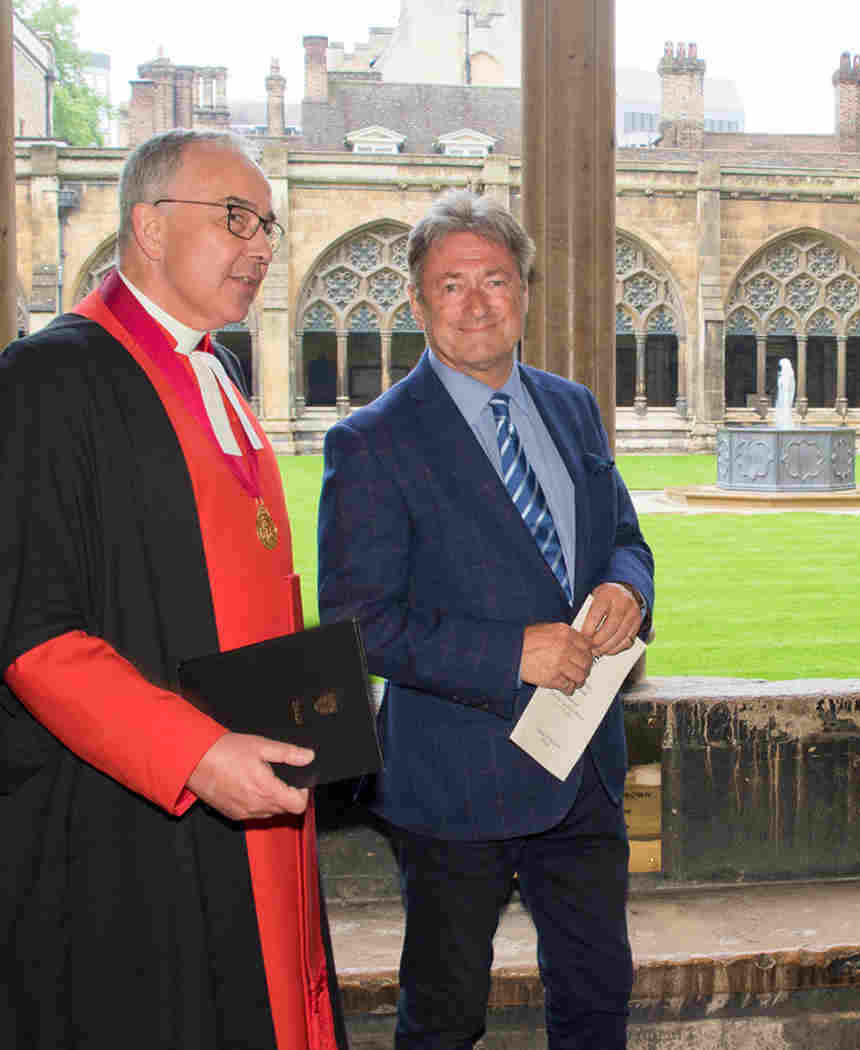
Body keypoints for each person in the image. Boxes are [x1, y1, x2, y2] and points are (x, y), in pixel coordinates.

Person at [0, 129, 346, 1048]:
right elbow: (32, 633)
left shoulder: (216, 370)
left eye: (267, 224)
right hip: (133, 815)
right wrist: (194, 753)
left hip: (249, 786)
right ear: (149, 226)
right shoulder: (48, 377)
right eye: (235, 218)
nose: (261, 246)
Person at [317, 189, 654, 1050]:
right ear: (418, 300)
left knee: (596, 999)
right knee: (444, 1014)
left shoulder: (572, 407)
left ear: (525, 293)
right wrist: (511, 654)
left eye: (496, 281)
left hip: (582, 765)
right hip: (456, 781)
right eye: (452, 284)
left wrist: (628, 589)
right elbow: (359, 622)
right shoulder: (371, 441)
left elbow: (624, 537)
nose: (476, 304)